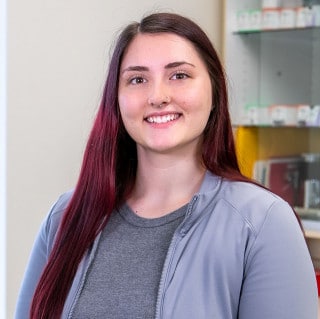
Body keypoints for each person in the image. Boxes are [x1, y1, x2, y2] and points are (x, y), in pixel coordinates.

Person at [15, 12, 318, 319]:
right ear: (116, 100)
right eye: (137, 79)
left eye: (179, 75)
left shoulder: (263, 223)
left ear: (214, 91)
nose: (157, 96)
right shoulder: (66, 217)